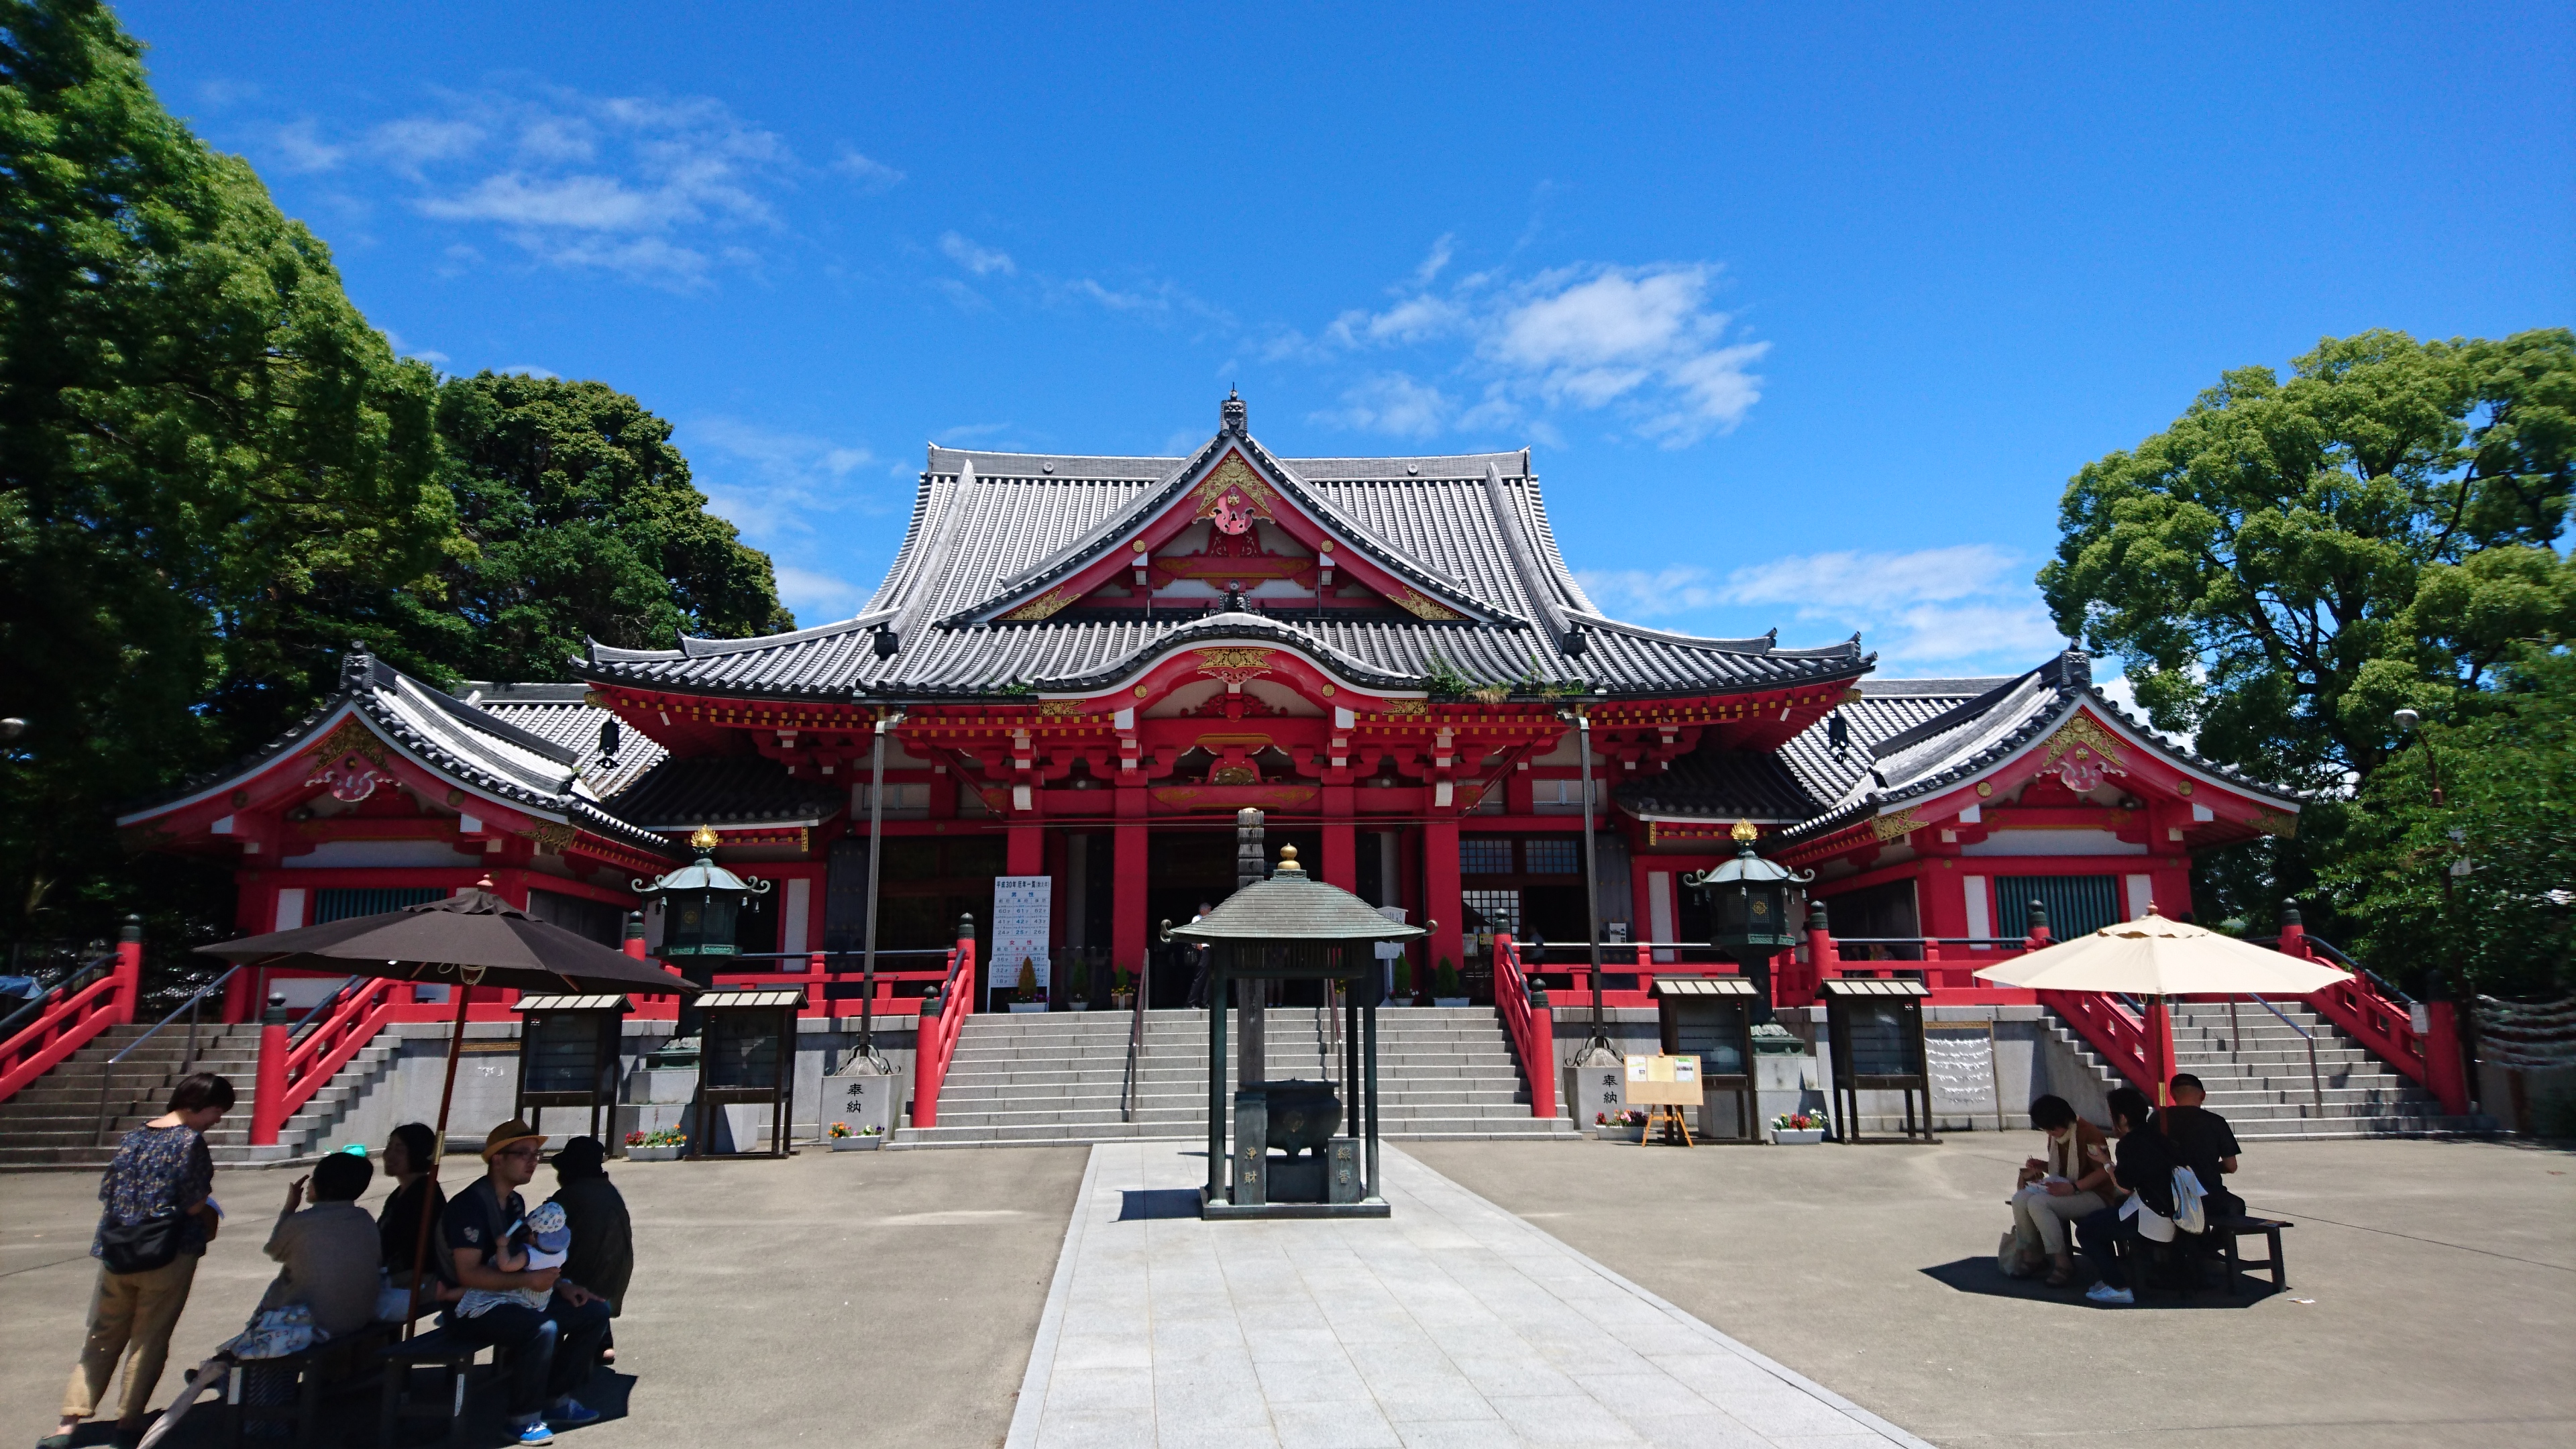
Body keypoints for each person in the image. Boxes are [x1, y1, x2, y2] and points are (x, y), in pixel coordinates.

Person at [48, 1073, 233, 1449]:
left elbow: (109, 1191)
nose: (218, 1119)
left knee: (103, 1334)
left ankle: (68, 1424)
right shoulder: (189, 1142)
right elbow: (194, 1202)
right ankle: (128, 1424)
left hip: (118, 1249)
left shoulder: (135, 1135)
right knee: (149, 1338)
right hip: (168, 1252)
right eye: (217, 1111)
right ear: (199, 1105)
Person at [439, 1120, 612, 1445]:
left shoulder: (516, 1203)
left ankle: (556, 1398)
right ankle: (522, 1418)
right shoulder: (470, 1206)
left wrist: (563, 1285)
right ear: (497, 1159)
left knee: (595, 1312)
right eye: (523, 1154)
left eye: (536, 1154)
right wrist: (530, 1280)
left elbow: (531, 1256)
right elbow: (468, 1274)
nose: (533, 1161)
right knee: (541, 1328)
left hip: (514, 1296)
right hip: (470, 1307)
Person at [2075, 1086, 2186, 1306]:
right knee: (2095, 1222)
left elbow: (2124, 1188)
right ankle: (2110, 1279)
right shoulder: (2159, 1137)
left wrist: (2106, 1163)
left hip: (2151, 1215)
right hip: (2167, 1210)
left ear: (2122, 1118)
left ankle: (2118, 1286)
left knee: (2086, 1231)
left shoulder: (2130, 1144)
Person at [256, 1150, 381, 1336]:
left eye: (314, 1178)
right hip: (357, 1317)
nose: (309, 1184)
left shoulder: (301, 1223)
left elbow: (274, 1251)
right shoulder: (365, 1219)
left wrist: (289, 1208)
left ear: (325, 1185)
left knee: (278, 1288)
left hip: (315, 1321)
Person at [2007, 1095, 2115, 1286]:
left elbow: (2103, 1173)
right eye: (2046, 1130)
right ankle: (2032, 1253)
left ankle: (2062, 1262)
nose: (2050, 1133)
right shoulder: (2057, 1137)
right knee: (2020, 1198)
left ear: (2065, 1120)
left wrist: (2073, 1188)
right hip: (2069, 1190)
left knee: (2039, 1203)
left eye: (2052, 1129)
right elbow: (2064, 1170)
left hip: (2096, 1194)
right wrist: (2042, 1166)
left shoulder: (2090, 1134)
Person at [547, 1137, 634, 1366]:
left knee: (545, 1278)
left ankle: (549, 1351)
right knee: (592, 1276)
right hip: (614, 1276)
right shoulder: (608, 1190)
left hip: (586, 1279)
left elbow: (541, 1230)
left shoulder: (570, 1196)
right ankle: (604, 1344)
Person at [2158, 1073, 2245, 1220]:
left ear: (2173, 1095)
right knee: (2236, 1206)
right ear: (2203, 1096)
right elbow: (2231, 1166)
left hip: (2168, 1193)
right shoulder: (2215, 1122)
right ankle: (2219, 1242)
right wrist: (2209, 1166)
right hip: (2208, 1193)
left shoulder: (2159, 1120)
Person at [1183, 901, 1216, 1009]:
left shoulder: (1210, 920)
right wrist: (1198, 943)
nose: (1210, 911)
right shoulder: (1197, 919)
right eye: (1208, 910)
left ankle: (1205, 1002)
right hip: (1202, 950)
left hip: (1210, 949)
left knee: (1208, 977)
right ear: (1202, 911)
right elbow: (1193, 932)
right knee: (1200, 976)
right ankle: (1191, 1002)